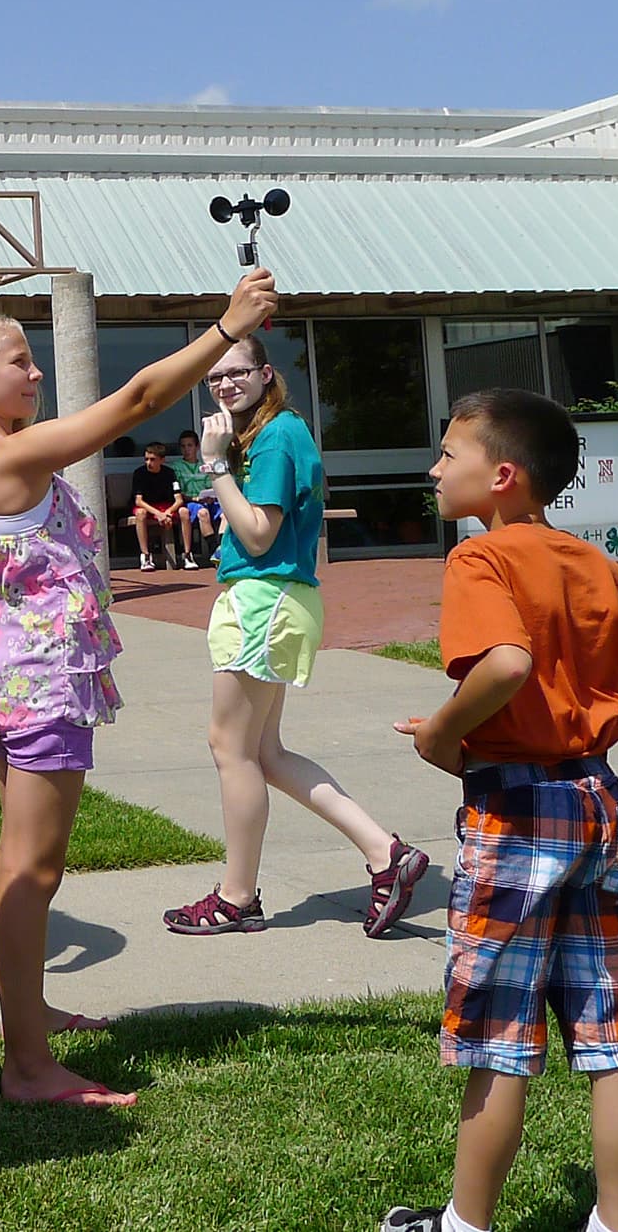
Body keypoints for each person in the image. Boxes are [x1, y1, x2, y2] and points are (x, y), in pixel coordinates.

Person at [0, 268, 280, 1109]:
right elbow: (137, 400)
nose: (35, 375)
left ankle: (24, 1021)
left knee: (16, 863)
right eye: (20, 362)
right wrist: (223, 327)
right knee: (35, 867)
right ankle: (28, 1066)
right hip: (41, 686)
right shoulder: (12, 453)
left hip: (7, 682)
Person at [381, 390, 618, 1232]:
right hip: (604, 807)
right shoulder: (599, 567)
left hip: (517, 811)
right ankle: (614, 1227)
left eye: (447, 454)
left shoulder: (481, 559)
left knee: (499, 1035)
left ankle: (465, 1226)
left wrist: (441, 734)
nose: (434, 469)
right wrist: (589, 726)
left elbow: (506, 665)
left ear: (501, 476)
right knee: (613, 1035)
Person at [162, 332, 428, 939]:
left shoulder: (277, 435)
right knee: (264, 754)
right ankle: (386, 853)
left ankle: (237, 897)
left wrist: (213, 464)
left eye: (237, 372)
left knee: (231, 750)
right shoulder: (271, 434)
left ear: (265, 374)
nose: (226, 384)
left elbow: (258, 533)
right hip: (272, 598)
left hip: (265, 597)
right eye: (216, 377)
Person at [129, 442, 195, 571]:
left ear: (162, 460)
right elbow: (139, 501)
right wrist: (158, 514)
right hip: (148, 506)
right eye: (146, 459)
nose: (149, 463)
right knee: (140, 513)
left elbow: (179, 499)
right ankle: (146, 556)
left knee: (184, 512)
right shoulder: (139, 473)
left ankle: (187, 555)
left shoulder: (170, 474)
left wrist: (168, 512)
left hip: (166, 507)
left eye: (152, 460)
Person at [171, 429, 222, 547]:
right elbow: (177, 493)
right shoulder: (176, 467)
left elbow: (211, 488)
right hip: (189, 503)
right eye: (183, 446)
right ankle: (213, 550)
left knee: (226, 513)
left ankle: (224, 547)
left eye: (190, 445)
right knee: (203, 512)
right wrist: (195, 499)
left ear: (197, 447)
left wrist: (211, 497)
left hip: (208, 501)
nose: (186, 449)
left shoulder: (204, 466)